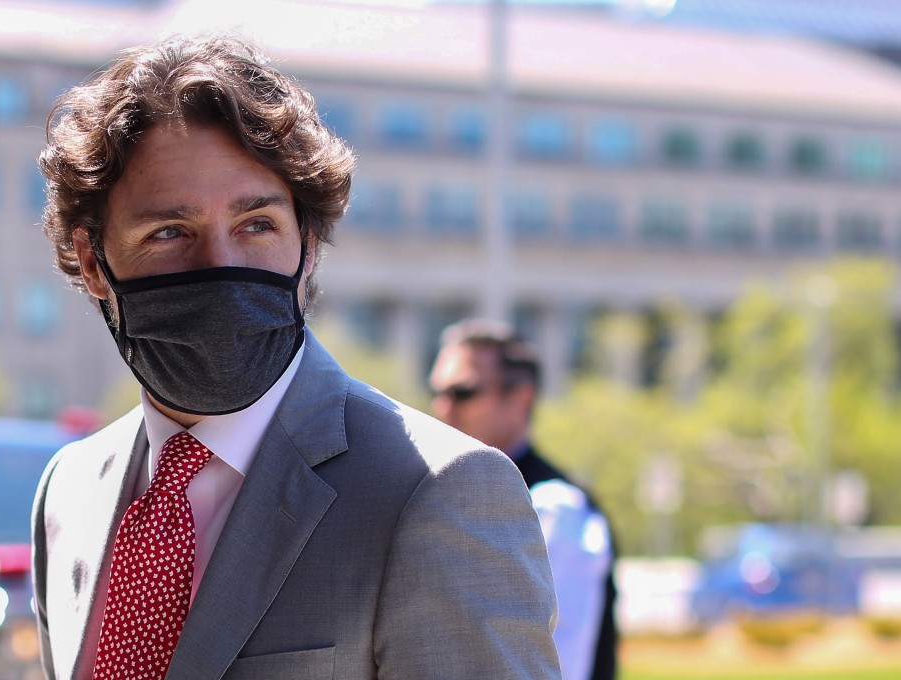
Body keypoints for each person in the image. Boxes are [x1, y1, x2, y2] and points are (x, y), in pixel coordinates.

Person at [30, 34, 561, 680]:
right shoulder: (70, 490)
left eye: (257, 225)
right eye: (170, 233)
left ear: (308, 245)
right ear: (92, 262)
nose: (220, 265)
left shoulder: (438, 492)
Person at [429, 318, 619, 680]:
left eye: (463, 392)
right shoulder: (453, 494)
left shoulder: (555, 507)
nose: (443, 408)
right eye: (438, 392)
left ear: (521, 398)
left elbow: (548, 661)